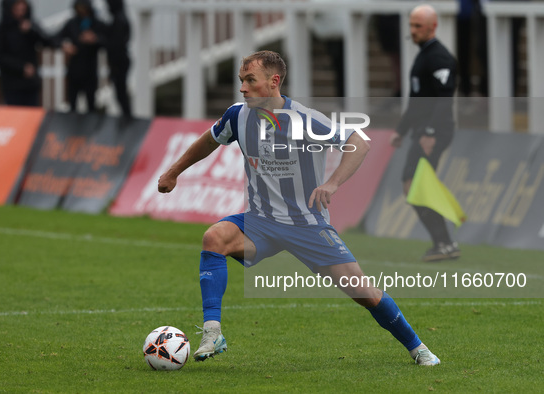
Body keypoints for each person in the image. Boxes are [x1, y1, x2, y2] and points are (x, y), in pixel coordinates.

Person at [158, 50, 441, 366]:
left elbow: (360, 142)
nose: (242, 88)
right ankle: (212, 331)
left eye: (250, 80)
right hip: (261, 222)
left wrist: (332, 183)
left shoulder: (305, 119)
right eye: (241, 81)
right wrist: (173, 171)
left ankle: (419, 349)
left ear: (273, 81)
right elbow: (209, 141)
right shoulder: (237, 116)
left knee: (365, 293)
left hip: (307, 225)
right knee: (215, 238)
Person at [390, 5, 460, 262]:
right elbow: (417, 101)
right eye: (412, 25)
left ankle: (445, 242)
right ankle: (444, 242)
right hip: (422, 130)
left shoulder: (439, 58)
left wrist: (430, 132)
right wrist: (402, 130)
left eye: (418, 26)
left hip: (434, 132)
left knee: (414, 185)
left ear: (433, 26)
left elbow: (444, 100)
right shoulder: (424, 56)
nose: (413, 30)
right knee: (414, 186)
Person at [0, 0, 54, 107]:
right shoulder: (1, 29)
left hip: (31, 83)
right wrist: (21, 68)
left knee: (33, 118)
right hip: (11, 83)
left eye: (23, 9)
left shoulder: (31, 25)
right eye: (17, 9)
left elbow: (47, 41)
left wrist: (31, 31)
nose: (20, 13)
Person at [55, 0, 105, 112]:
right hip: (74, 71)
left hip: (90, 72)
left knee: (91, 106)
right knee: (72, 106)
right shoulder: (72, 23)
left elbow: (108, 42)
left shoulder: (97, 24)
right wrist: (64, 46)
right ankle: (72, 129)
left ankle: (91, 129)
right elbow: (55, 38)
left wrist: (95, 39)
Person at [104, 0, 132, 118]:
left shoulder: (119, 20)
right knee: (120, 93)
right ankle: (127, 117)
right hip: (119, 61)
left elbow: (116, 44)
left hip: (119, 62)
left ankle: (128, 118)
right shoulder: (119, 18)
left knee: (121, 93)